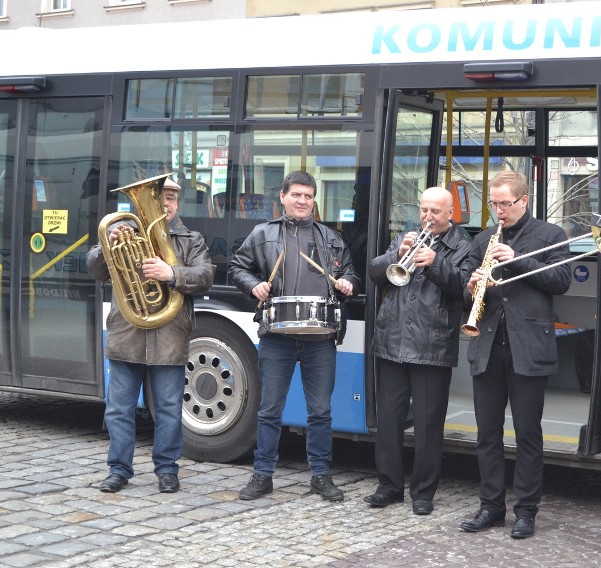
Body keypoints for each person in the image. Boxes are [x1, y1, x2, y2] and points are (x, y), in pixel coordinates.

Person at [229, 170, 359, 502]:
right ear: (283, 198)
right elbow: (237, 267)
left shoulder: (330, 238)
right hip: (277, 334)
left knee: (320, 410)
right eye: (296, 195)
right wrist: (253, 285)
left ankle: (321, 476)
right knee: (270, 409)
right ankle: (262, 475)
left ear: (314, 201)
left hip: (320, 335)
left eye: (308, 196)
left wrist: (347, 284)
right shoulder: (263, 234)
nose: (302, 201)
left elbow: (349, 273)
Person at [460, 171, 572, 539]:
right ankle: (491, 506)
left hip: (529, 347)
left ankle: (526, 511)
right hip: (488, 345)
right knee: (487, 434)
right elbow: (468, 295)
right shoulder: (482, 239)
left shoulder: (550, 236)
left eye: (505, 204)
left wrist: (517, 258)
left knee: (527, 434)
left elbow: (560, 282)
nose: (498, 211)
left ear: (524, 200)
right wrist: (473, 285)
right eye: (493, 204)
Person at [88, 176, 215, 494]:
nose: (163, 203)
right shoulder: (124, 231)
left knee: (170, 408)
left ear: (177, 202)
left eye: (170, 197)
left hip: (169, 335)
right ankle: (118, 469)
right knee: (118, 408)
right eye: (158, 198)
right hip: (126, 333)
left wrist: (172, 273)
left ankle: (167, 470)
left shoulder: (191, 239)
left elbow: (206, 275)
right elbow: (95, 269)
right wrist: (108, 247)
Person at [365, 186, 472, 515]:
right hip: (392, 342)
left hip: (432, 345)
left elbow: (465, 291)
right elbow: (374, 273)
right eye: (424, 210)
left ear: (450, 214)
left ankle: (423, 492)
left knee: (428, 425)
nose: (427, 217)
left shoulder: (462, 244)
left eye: (435, 212)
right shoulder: (404, 238)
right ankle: (389, 486)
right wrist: (396, 255)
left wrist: (436, 263)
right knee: (389, 421)